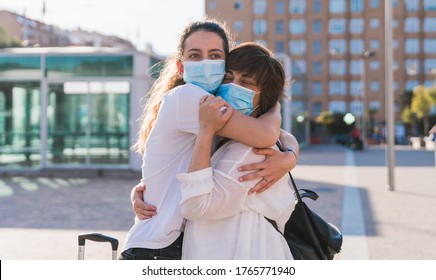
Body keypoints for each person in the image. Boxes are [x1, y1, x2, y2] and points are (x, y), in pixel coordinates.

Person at [120, 19, 298, 260]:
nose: (205, 63)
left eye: (214, 56)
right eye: (195, 56)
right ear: (180, 67)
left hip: (168, 243)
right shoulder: (189, 97)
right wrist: (274, 106)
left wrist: (290, 156)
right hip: (159, 247)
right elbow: (265, 134)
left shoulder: (212, 103)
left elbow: (279, 135)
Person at [177, 42, 294, 259]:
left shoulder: (251, 150)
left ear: (264, 98)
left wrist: (205, 131)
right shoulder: (235, 138)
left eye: (245, 82)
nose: (232, 86)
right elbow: (282, 134)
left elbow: (195, 206)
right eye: (228, 77)